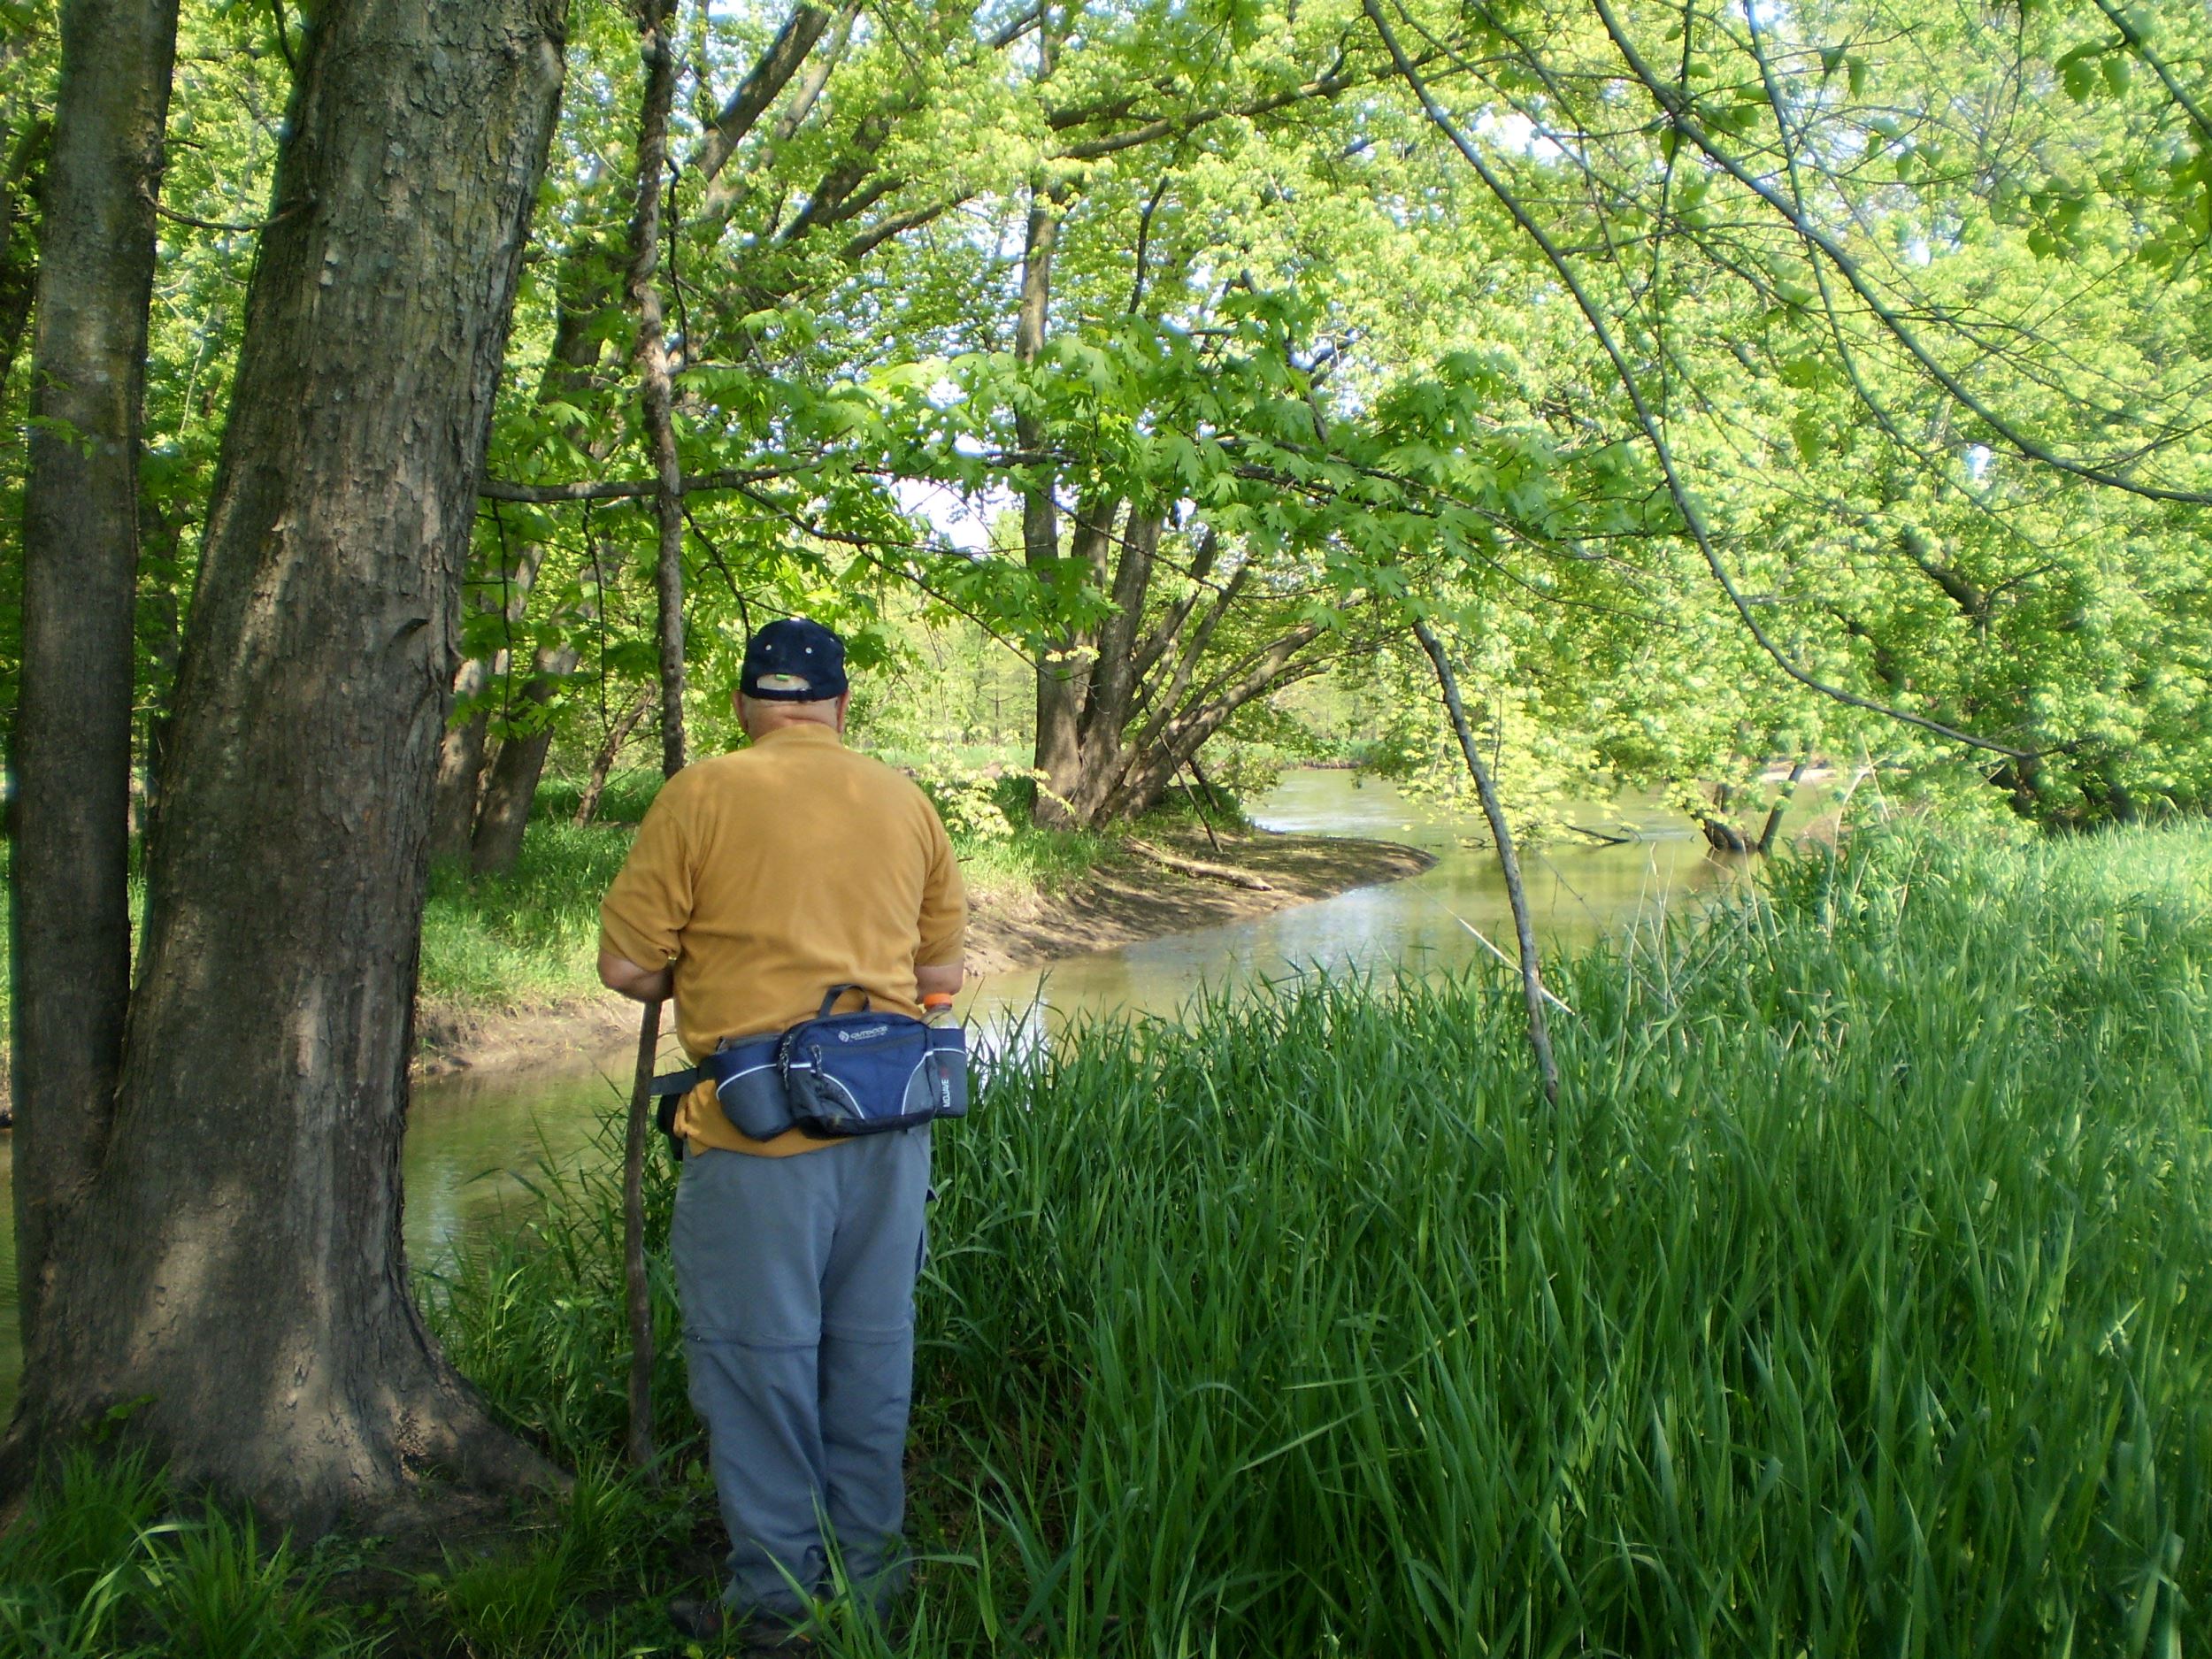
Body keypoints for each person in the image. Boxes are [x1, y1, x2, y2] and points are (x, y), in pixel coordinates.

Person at [596, 618, 966, 1650]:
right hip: (892, 1131)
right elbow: (939, 981)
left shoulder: (703, 792)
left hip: (756, 1134)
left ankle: (777, 1610)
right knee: (870, 1353)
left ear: (743, 707)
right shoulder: (903, 799)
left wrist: (712, 966)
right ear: (842, 708)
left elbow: (627, 970)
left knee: (759, 1365)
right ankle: (872, 1587)